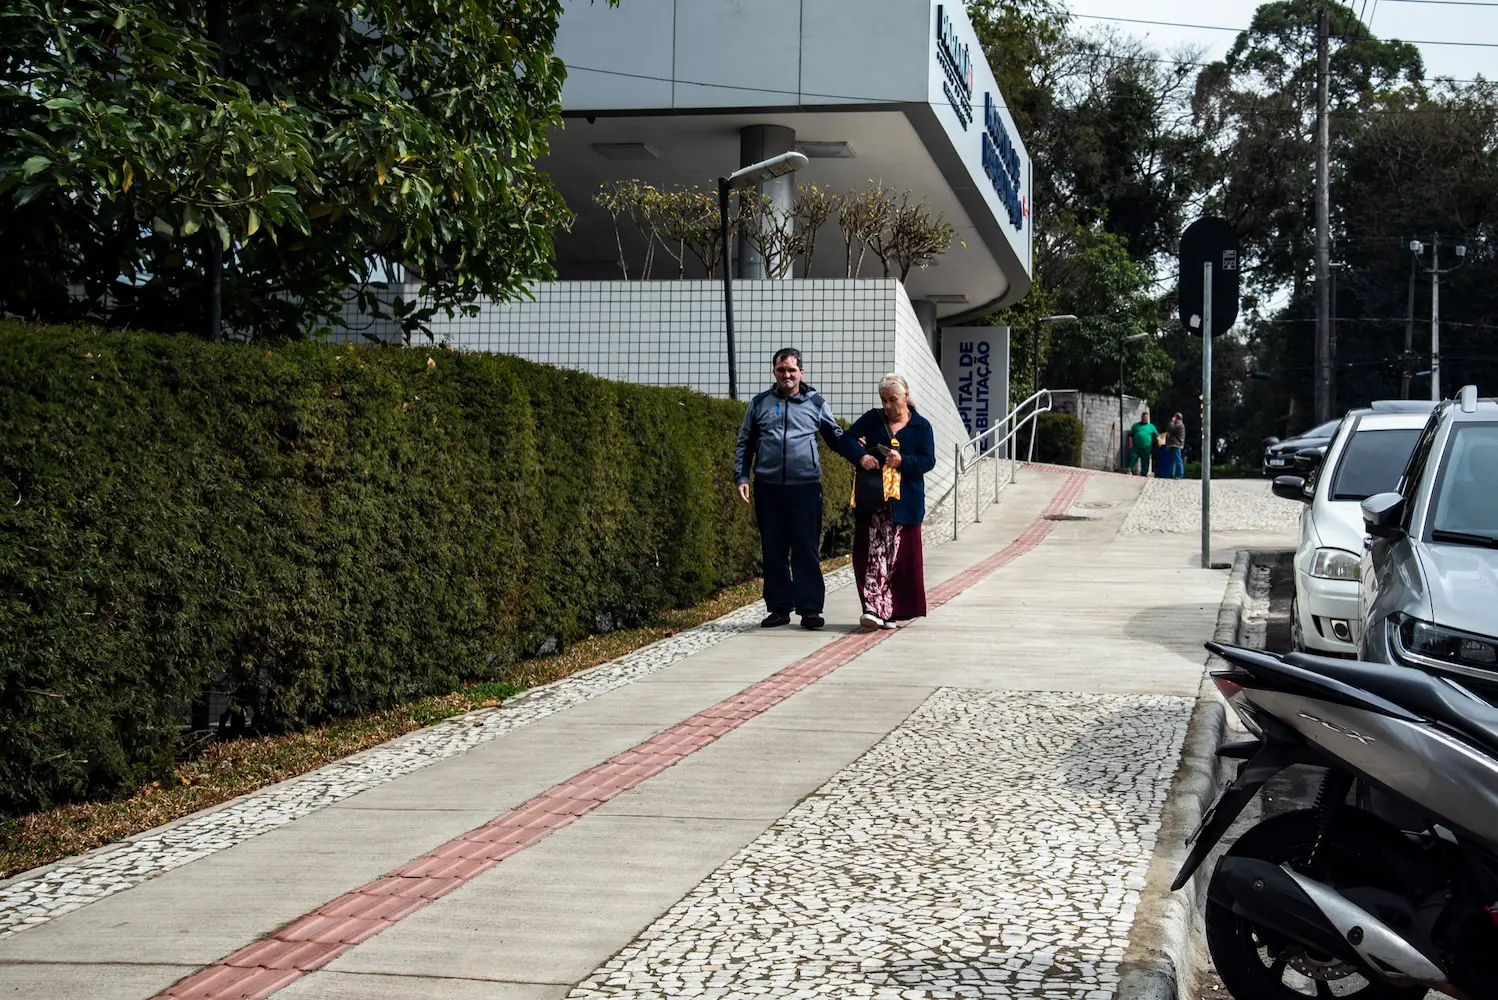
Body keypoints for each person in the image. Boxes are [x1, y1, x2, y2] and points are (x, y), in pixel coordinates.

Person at [735, 348, 874, 630]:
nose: (786, 375)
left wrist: (859, 454)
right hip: (768, 488)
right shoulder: (760, 403)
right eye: (781, 370)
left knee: (806, 548)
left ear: (801, 372)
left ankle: (810, 610)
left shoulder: (816, 403)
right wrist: (741, 477)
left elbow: (835, 438)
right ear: (774, 372)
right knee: (773, 549)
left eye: (791, 370)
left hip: (806, 488)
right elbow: (745, 442)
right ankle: (779, 609)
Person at [846, 374, 935, 630]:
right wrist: (862, 456)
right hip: (873, 499)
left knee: (899, 559)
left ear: (906, 396)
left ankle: (891, 612)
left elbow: (928, 461)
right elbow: (845, 440)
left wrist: (903, 461)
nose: (887, 406)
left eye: (892, 400)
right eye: (883, 400)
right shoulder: (872, 420)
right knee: (871, 554)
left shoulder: (921, 426)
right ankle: (873, 608)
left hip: (905, 502)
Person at [1128, 410, 1157, 477]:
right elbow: (1130, 435)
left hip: (1146, 447)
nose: (1145, 419)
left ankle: (1144, 474)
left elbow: (1156, 435)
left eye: (1146, 417)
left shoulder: (1151, 426)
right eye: (1144, 417)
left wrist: (1159, 441)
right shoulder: (1136, 425)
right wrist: (1130, 444)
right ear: (1141, 418)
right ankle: (1129, 470)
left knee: (1145, 461)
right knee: (1132, 458)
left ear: (1148, 418)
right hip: (1136, 446)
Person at [1163, 412, 1187, 479]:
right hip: (1173, 444)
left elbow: (1171, 429)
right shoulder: (1177, 424)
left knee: (1177, 460)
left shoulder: (1179, 424)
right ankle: (1171, 474)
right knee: (1172, 460)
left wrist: (1171, 422)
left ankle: (1180, 474)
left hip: (1176, 444)